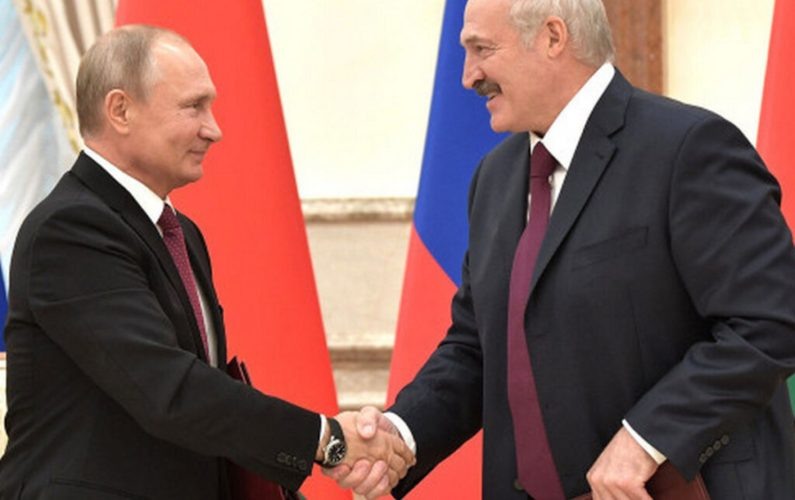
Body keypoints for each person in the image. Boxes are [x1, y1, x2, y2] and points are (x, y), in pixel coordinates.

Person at [328, 0, 795, 498]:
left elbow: (770, 321)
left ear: (553, 37)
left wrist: (648, 437)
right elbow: (477, 349)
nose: (468, 76)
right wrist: (399, 435)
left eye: (482, 49)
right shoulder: (494, 178)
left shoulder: (689, 148)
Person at [0, 25, 413, 500]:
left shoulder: (180, 232)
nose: (213, 130)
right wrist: (328, 440)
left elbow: (205, 403)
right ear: (120, 110)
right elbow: (169, 390)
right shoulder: (70, 230)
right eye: (193, 107)